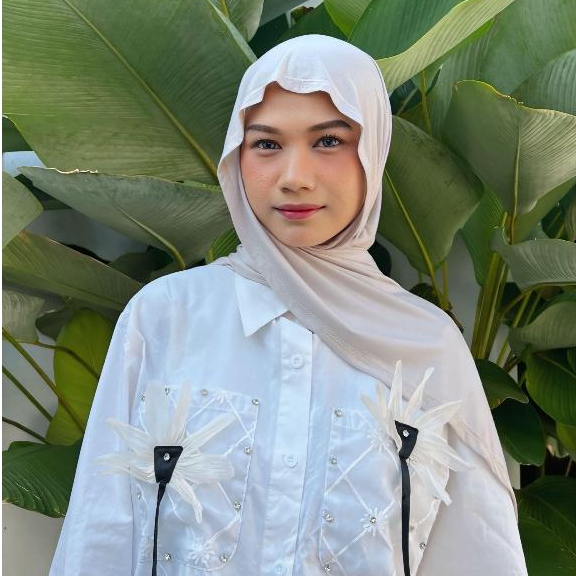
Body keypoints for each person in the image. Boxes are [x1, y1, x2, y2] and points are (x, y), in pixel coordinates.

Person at [48, 34, 528, 576]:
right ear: (236, 156)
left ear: (372, 152)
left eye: (329, 141)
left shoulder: (426, 345)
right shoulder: (165, 318)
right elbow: (101, 532)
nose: (295, 178)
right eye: (267, 145)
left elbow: (473, 551)